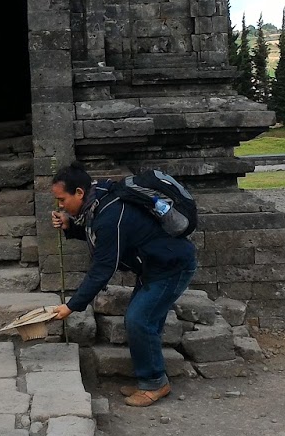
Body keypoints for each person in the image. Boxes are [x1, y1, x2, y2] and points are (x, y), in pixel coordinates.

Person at [47, 162, 197, 407]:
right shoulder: (100, 201)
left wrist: (72, 306)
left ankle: (155, 384)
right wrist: (70, 226)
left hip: (172, 267)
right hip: (154, 266)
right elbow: (98, 233)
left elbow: (103, 267)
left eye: (62, 200)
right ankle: (150, 378)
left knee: (139, 320)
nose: (60, 206)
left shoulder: (109, 215)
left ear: (79, 193)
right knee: (145, 321)